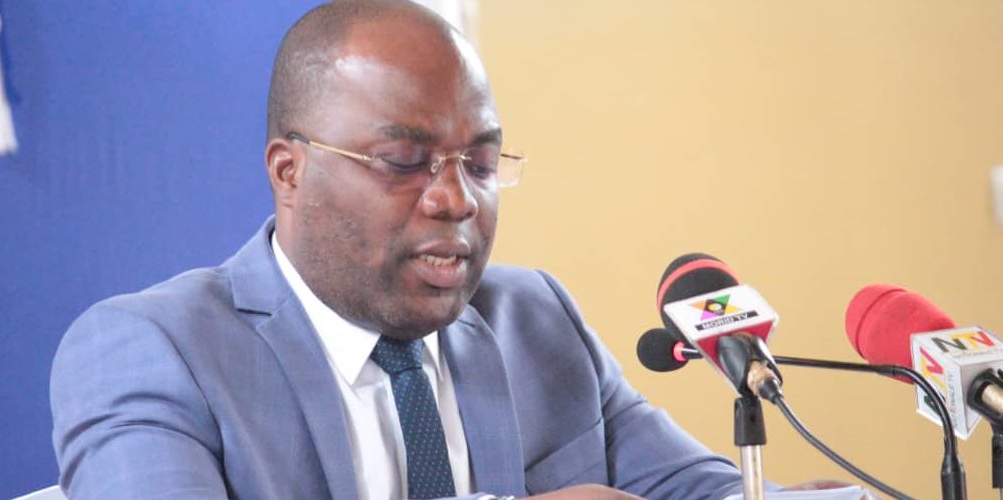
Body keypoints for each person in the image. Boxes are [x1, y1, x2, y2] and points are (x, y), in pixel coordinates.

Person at [50, 1, 796, 499]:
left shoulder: (535, 320)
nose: (456, 199)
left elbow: (701, 491)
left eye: (481, 163)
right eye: (405, 162)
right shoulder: (156, 352)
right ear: (290, 172)